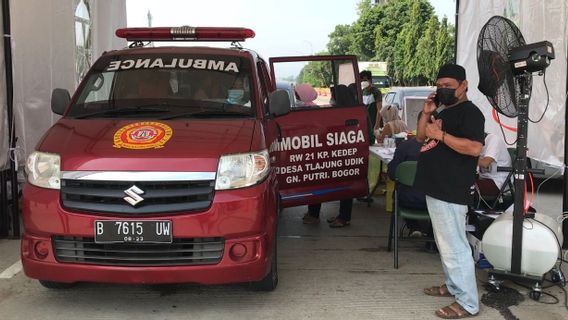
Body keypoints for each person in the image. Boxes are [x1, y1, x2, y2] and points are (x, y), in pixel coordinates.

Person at [414, 64, 484, 319]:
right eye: (439, 85)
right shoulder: (442, 109)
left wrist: (441, 135)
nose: (442, 90)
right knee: (446, 245)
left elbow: (475, 148)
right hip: (436, 188)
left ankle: (467, 303)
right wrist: (426, 113)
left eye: (448, 86)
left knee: (455, 247)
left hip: (451, 189)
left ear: (464, 85)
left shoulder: (471, 113)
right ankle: (454, 286)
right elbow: (422, 137)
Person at [387, 112, 430, 240]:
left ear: (418, 125)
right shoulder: (443, 149)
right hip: (434, 201)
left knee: (401, 190)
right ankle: (432, 241)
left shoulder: (405, 146)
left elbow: (393, 174)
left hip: (408, 200)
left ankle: (414, 227)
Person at [477, 132, 512, 198]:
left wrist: (468, 158)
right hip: (483, 178)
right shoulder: (478, 143)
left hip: (497, 182)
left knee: (465, 187)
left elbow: (485, 163)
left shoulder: (494, 140)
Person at [360, 70, 382, 144]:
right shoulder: (362, 92)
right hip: (366, 124)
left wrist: (376, 126)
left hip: (375, 123)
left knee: (379, 144)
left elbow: (380, 110)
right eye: (362, 80)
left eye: (365, 80)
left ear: (370, 80)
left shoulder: (376, 92)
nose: (363, 82)